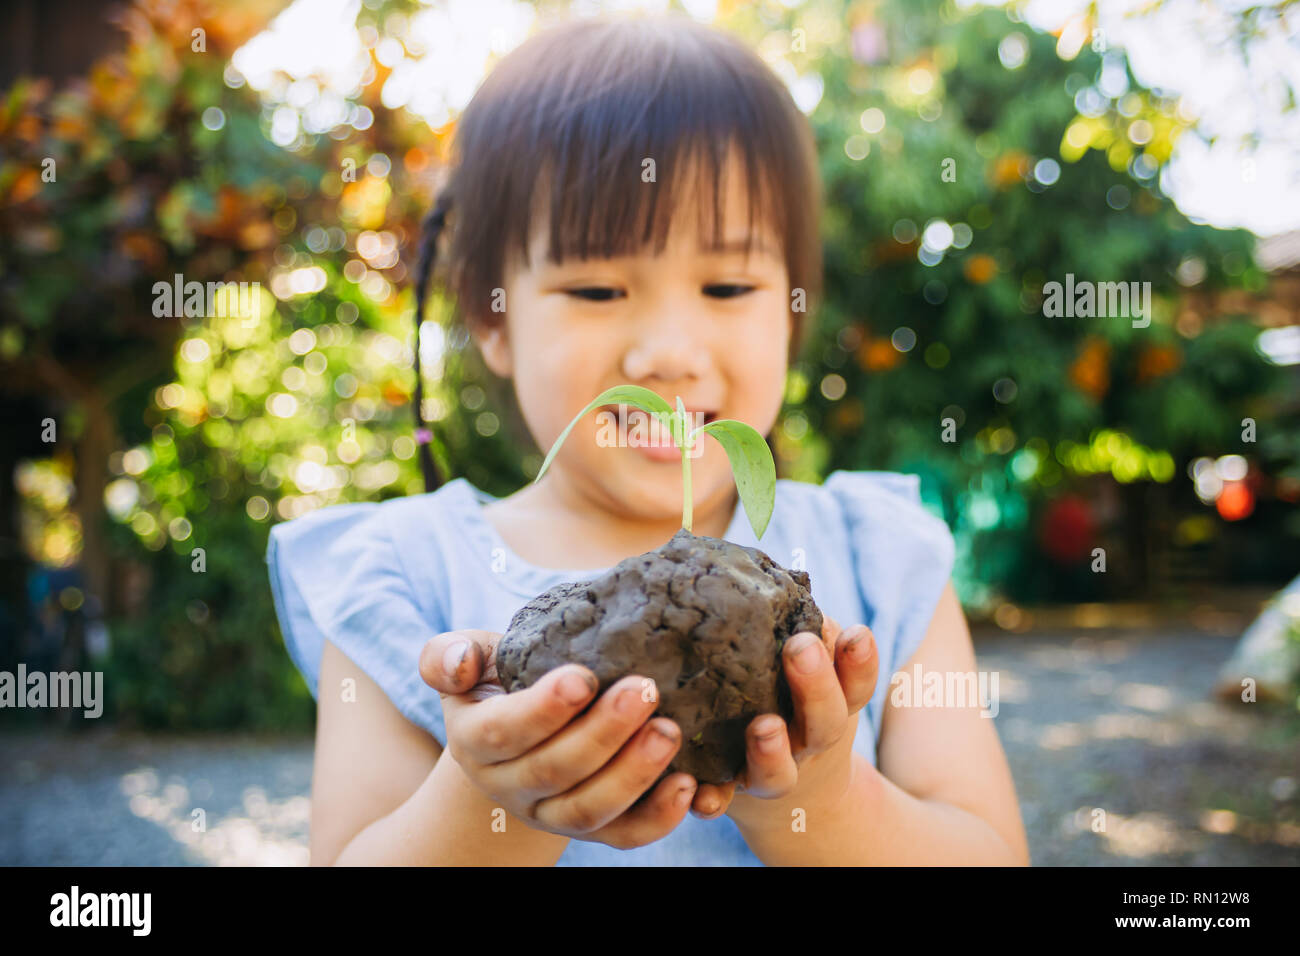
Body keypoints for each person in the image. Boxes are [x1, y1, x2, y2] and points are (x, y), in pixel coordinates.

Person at [267, 12, 1028, 866]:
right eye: (596, 289)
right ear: (493, 317)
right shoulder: (398, 581)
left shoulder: (885, 563)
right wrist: (499, 795)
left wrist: (820, 800)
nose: (668, 351)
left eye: (730, 284)